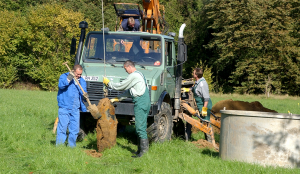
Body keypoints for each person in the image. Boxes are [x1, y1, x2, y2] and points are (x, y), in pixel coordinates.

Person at [103, 60, 150, 158]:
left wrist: (109, 84)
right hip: (145, 101)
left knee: (140, 128)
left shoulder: (133, 75)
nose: (125, 71)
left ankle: (144, 153)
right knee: (141, 126)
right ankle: (139, 150)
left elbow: (121, 86)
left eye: (125, 69)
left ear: (129, 67)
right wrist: (117, 98)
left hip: (140, 102)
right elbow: (130, 91)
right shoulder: (139, 74)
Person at [56, 65, 88, 147]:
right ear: (73, 71)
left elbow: (83, 92)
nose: (79, 76)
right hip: (64, 107)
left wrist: (85, 95)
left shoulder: (82, 81)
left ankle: (71, 146)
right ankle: (59, 146)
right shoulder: (64, 76)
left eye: (80, 74)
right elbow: (61, 85)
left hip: (75, 108)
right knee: (62, 128)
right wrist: (69, 78)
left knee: (74, 129)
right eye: (77, 74)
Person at [192, 68, 213, 142]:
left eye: (194, 73)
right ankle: (207, 141)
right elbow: (195, 90)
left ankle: (210, 142)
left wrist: (204, 109)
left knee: (206, 122)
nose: (192, 73)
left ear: (196, 75)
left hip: (205, 105)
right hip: (201, 105)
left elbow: (206, 98)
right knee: (204, 122)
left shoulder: (202, 83)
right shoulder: (197, 82)